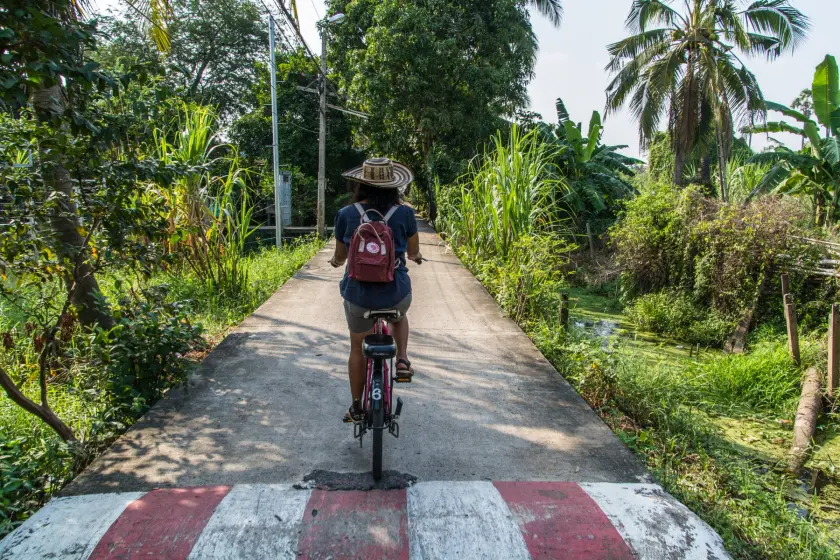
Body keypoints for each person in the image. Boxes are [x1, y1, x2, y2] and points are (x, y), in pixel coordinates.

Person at [329, 158, 423, 423]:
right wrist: (414, 257)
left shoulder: (346, 215)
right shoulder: (405, 214)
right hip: (395, 293)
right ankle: (402, 360)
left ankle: (357, 407)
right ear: (394, 186)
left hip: (358, 296)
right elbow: (413, 251)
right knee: (399, 316)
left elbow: (340, 256)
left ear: (361, 184)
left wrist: (336, 262)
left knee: (357, 348)